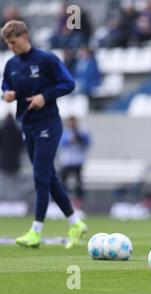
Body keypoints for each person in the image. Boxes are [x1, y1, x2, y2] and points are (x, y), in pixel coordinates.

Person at [1, 20, 87, 249]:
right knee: (49, 178)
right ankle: (75, 223)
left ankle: (36, 231)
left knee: (40, 174)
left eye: (13, 42)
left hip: (48, 123)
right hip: (27, 125)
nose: (11, 46)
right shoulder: (11, 65)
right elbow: (6, 86)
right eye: (7, 43)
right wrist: (6, 94)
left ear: (24, 36)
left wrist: (45, 97)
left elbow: (68, 83)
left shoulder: (46, 59)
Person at [59, 116, 91, 208]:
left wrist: (80, 138)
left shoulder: (82, 131)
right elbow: (62, 143)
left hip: (78, 161)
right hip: (67, 161)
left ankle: (79, 201)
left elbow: (87, 143)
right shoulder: (65, 132)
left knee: (78, 183)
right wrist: (70, 141)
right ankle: (63, 199)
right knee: (62, 181)